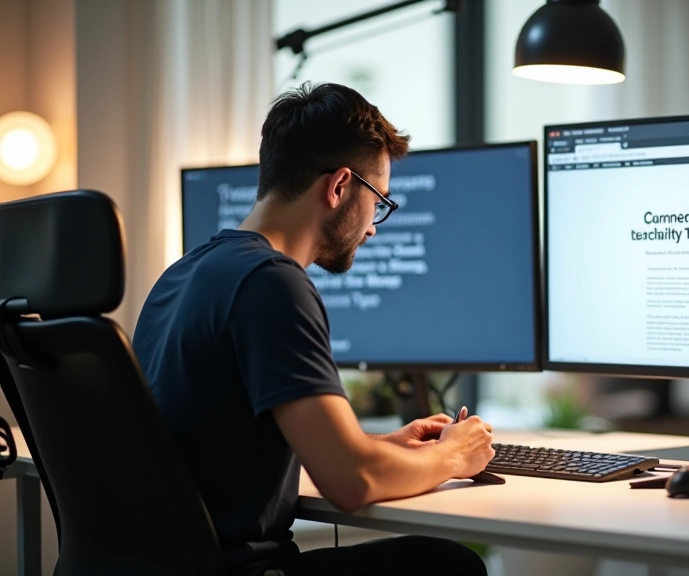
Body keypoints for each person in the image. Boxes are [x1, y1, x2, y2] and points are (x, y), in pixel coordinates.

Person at [133, 82, 494, 576]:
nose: (372, 227)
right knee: (449, 565)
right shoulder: (272, 283)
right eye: (379, 203)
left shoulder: (183, 273)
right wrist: (455, 455)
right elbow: (351, 483)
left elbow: (221, 452)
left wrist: (379, 448)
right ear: (340, 186)